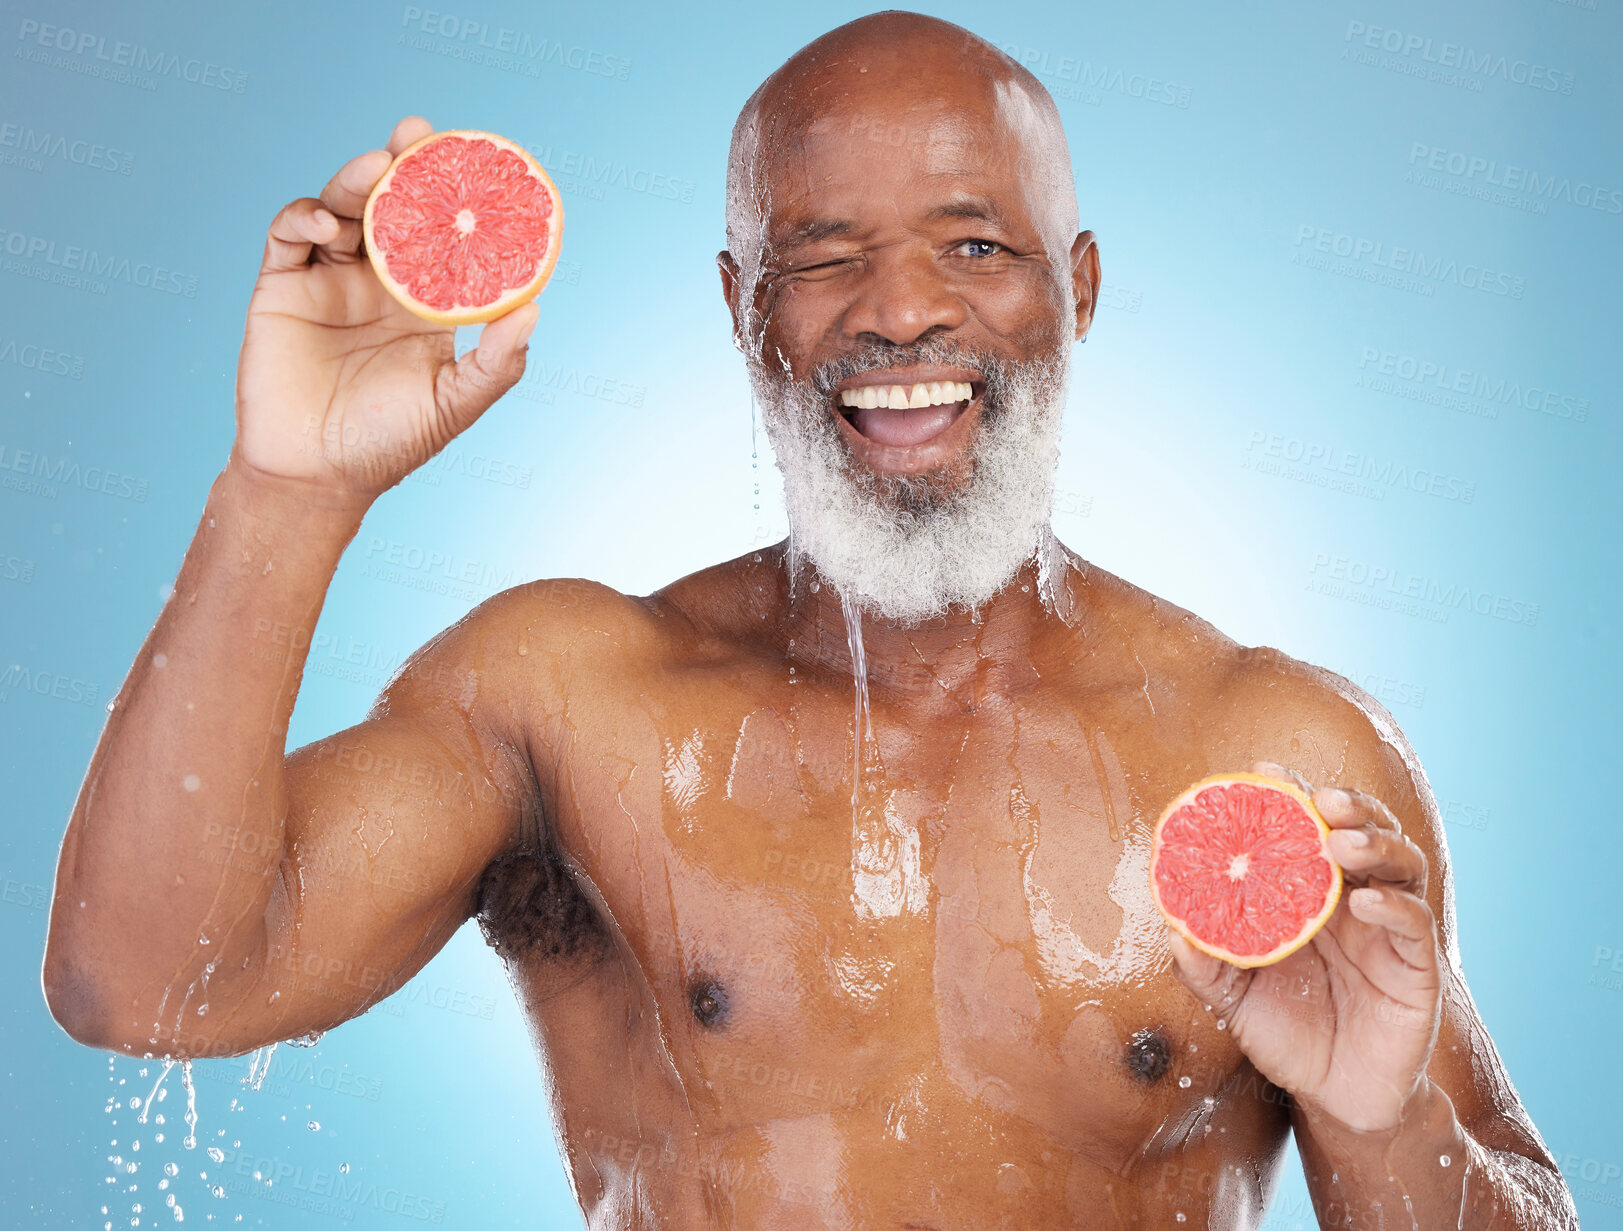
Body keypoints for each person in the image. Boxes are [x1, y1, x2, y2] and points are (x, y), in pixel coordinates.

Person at [43, 12, 1576, 1228]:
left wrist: (1391, 1119)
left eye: (975, 246)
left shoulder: (1278, 757)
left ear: (1079, 287)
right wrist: (286, 494)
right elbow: (151, 978)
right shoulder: (567, 698)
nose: (900, 311)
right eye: (823, 257)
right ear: (739, 306)